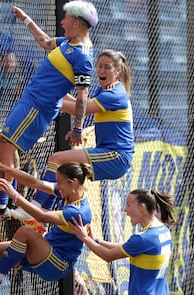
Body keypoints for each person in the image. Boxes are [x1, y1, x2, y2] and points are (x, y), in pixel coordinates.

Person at [0, 1, 98, 228]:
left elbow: (82, 96)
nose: (62, 22)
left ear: (76, 23)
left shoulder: (82, 56)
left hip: (37, 107)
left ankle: (2, 206)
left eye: (65, 18)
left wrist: (77, 128)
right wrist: (26, 18)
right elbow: (45, 42)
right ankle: (9, 202)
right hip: (31, 101)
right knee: (9, 148)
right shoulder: (69, 42)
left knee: (4, 146)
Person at [21, 49, 134, 224]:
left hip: (116, 157)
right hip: (108, 152)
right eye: (99, 66)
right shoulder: (105, 90)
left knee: (57, 159)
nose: (101, 71)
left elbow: (78, 109)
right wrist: (56, 87)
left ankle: (37, 209)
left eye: (107, 67)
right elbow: (78, 104)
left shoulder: (115, 94)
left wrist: (47, 97)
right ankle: (42, 213)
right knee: (63, 168)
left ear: (118, 70)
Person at [0, 161, 93, 295]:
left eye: (59, 182)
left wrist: (15, 196)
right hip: (48, 250)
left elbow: (41, 215)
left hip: (57, 263)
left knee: (26, 232)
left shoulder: (77, 211)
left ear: (73, 182)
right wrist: (6, 168)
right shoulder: (70, 191)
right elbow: (35, 183)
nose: (57, 185)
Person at [70, 189, 176, 295]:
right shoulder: (162, 230)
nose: (125, 210)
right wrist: (95, 241)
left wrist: (83, 237)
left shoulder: (143, 238)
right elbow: (124, 247)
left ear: (141, 207)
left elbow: (108, 256)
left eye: (128, 205)